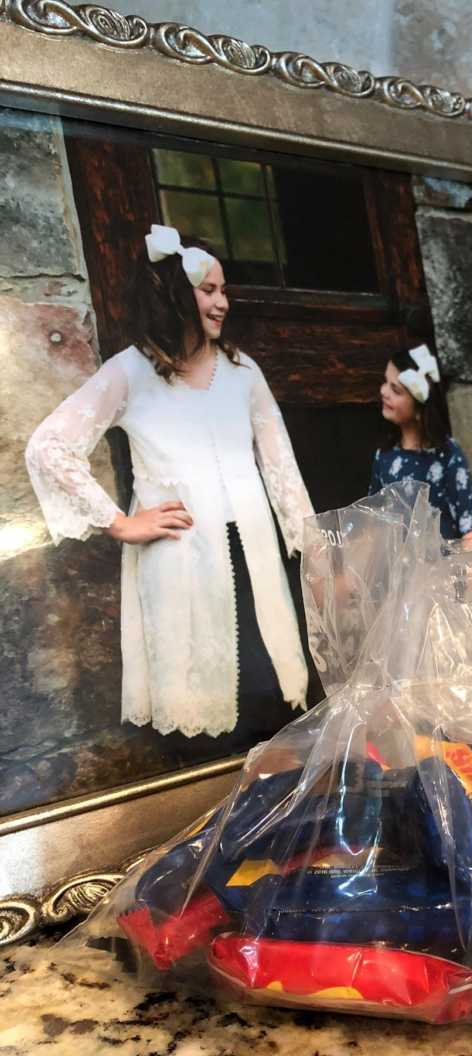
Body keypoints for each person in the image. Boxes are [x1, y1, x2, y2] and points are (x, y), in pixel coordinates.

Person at [25, 224, 315, 740]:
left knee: (269, 693)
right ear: (176, 294)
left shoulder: (243, 372)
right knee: (199, 707)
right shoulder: (132, 372)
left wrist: (312, 549)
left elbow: (281, 466)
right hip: (181, 557)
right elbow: (50, 446)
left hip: (250, 554)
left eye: (224, 290)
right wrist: (118, 522)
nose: (222, 302)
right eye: (209, 290)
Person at [369, 344, 472, 543]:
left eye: (395, 390)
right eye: (385, 382)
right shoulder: (384, 456)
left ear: (419, 409)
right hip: (401, 572)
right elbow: (372, 521)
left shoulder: (447, 454)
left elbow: (469, 529)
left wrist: (470, 572)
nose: (384, 391)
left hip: (445, 569)